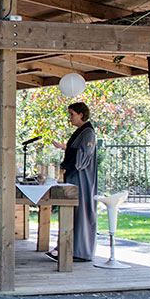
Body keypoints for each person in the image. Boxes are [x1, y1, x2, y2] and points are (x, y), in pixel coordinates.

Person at [53, 101, 97, 262]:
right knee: (72, 214)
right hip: (74, 176)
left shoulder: (88, 133)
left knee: (82, 211)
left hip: (82, 178)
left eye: (72, 114)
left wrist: (67, 151)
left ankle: (81, 250)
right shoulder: (81, 132)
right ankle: (69, 247)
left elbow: (83, 155)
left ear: (81, 114)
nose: (70, 118)